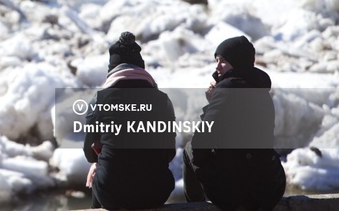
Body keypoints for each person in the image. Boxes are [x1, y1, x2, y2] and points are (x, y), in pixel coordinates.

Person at [183, 35, 286, 211]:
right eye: (217, 60)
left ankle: (195, 206)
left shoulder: (226, 90)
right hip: (269, 187)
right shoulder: (262, 91)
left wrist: (212, 102)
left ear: (236, 60)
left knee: (188, 149)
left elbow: (200, 141)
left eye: (222, 60)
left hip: (236, 194)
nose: (217, 66)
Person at [83, 31, 176, 210]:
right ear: (141, 68)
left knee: (99, 171)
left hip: (113, 195)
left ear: (112, 70)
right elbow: (169, 152)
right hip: (156, 193)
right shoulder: (163, 100)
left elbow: (89, 153)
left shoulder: (98, 101)